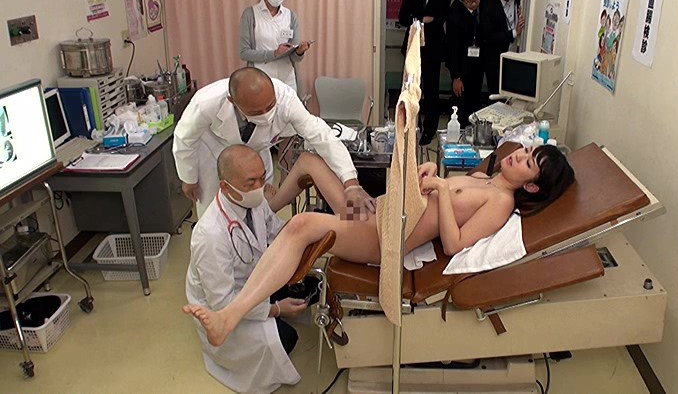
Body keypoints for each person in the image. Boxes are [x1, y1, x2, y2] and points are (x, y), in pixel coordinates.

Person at [183, 144, 575, 347]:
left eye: (528, 163)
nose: (518, 156)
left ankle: (229, 317)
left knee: (303, 225)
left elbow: (455, 244)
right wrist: (430, 173)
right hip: (376, 212)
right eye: (525, 151)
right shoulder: (484, 179)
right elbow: (440, 200)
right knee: (309, 163)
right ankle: (264, 222)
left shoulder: (501, 202)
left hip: (383, 238)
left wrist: (440, 190)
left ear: (531, 187)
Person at [186, 145, 309, 393]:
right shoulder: (210, 235)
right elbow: (222, 303)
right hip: (228, 307)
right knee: (287, 340)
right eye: (251, 182)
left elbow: (276, 231)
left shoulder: (254, 202)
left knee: (309, 288)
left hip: (254, 280)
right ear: (225, 187)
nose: (259, 187)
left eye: (262, 178)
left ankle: (274, 306)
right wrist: (275, 309)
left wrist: (303, 234)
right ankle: (270, 319)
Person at [173, 67, 374, 218]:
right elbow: (184, 138)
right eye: (256, 112)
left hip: (257, 155)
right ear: (232, 101)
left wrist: (351, 184)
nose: (266, 115)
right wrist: (188, 177)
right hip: (215, 154)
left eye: (270, 106)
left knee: (259, 212)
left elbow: (321, 135)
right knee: (215, 214)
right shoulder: (206, 102)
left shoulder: (285, 98)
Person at [397, 0, 452, 145]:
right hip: (412, 48)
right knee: (410, 88)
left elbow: (437, 22)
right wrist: (422, 19)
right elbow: (403, 17)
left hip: (432, 52)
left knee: (430, 91)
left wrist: (417, 18)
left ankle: (429, 129)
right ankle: (410, 125)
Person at [240, 0, 312, 93]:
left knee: (289, 106)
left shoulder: (291, 16)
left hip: (287, 80)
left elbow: (295, 58)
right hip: (259, 79)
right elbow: (244, 53)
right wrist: (274, 53)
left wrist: (300, 51)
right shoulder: (250, 14)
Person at [446, 0, 485, 127]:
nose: (474, 4)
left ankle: (472, 132)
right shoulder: (454, 16)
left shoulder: (482, 2)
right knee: (460, 106)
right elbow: (452, 49)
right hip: (461, 67)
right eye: (470, 2)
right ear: (462, 0)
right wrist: (456, 77)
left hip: (477, 64)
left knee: (474, 104)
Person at [482, 0, 526, 95]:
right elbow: (488, 37)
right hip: (496, 59)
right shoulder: (487, 5)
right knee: (497, 96)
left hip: (521, 54)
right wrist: (514, 33)